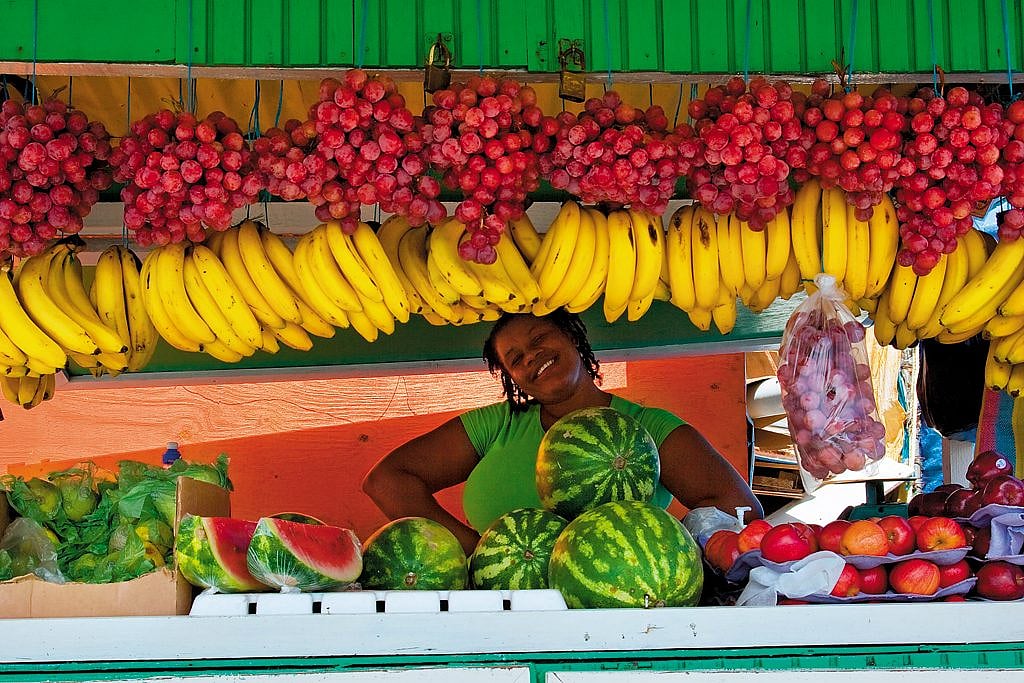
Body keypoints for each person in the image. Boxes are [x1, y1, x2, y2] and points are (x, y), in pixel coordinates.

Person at [362, 309, 763, 556]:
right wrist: (473, 550)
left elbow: (739, 509)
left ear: (572, 336)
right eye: (516, 358)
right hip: (505, 608)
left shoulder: (648, 427)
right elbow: (386, 480)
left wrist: (653, 546)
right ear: (513, 378)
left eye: (540, 339)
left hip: (621, 607)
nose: (531, 355)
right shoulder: (495, 425)